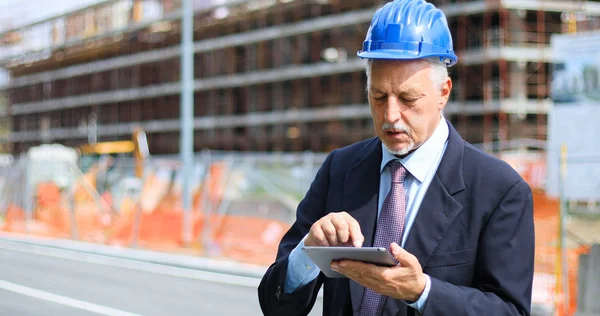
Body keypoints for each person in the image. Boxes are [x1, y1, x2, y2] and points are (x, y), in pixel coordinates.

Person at [258, 0, 535, 315]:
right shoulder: (340, 169)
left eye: (407, 98)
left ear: (444, 92)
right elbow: (275, 303)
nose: (390, 115)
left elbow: (510, 310)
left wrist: (423, 292)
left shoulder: (499, 190)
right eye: (378, 97)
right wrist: (307, 254)